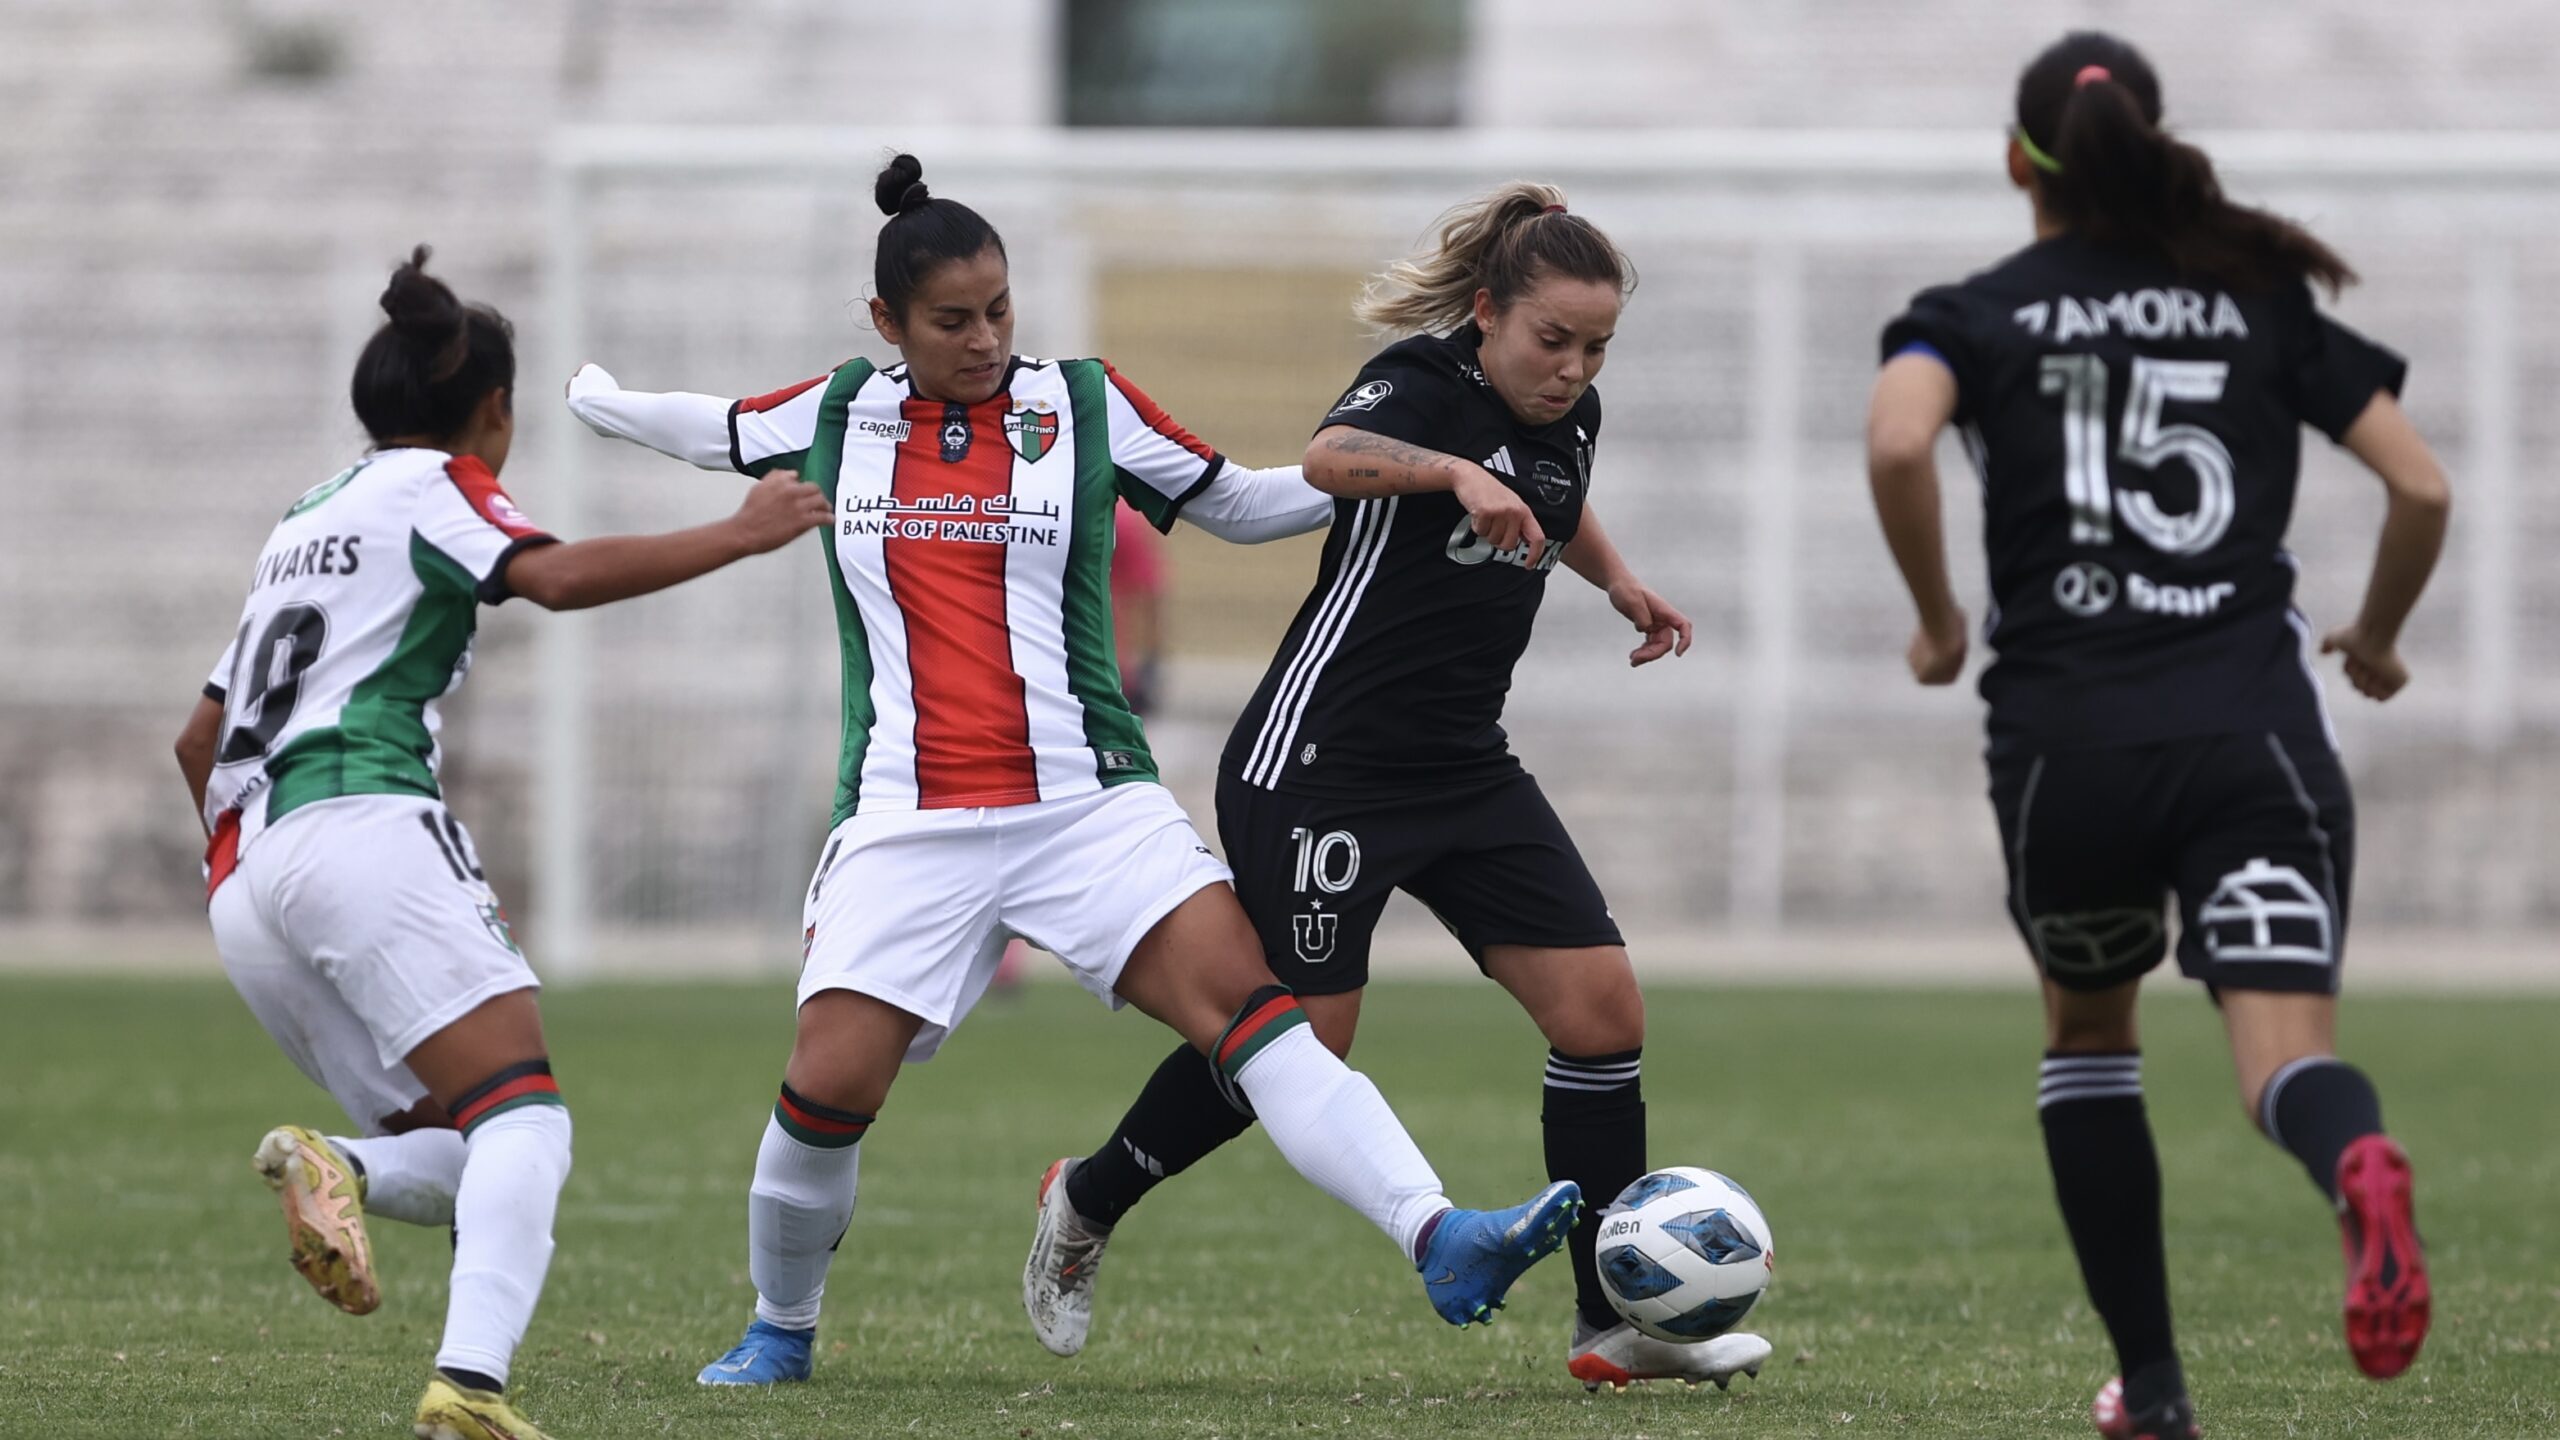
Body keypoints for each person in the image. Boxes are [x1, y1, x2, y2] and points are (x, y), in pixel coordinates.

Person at [564, 153, 1582, 1388]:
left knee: (1262, 1026)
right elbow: (712, 428)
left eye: (1000, 308)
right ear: (887, 324)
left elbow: (1245, 503)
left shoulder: (1086, 405)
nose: (986, 338)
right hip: (907, 816)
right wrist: (596, 397)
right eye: (952, 320)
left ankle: (1439, 1234)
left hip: (1086, 805)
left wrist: (1422, 463)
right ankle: (781, 1328)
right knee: (825, 1091)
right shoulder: (837, 411)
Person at [1018, 182, 1772, 1392]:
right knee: (1302, 1043)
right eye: (1552, 341)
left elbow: (1555, 501)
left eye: (1595, 347)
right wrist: (1447, 473)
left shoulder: (1570, 414)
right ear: (1486, 314)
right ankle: (1087, 1196)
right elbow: (1329, 455)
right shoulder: (1421, 383)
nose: (1573, 368)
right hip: (1320, 763)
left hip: (1463, 765)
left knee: (1602, 1014)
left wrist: (1619, 579)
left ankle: (1608, 1322)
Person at [1866, 32, 2447, 1440]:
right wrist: (2372, 640)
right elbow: (2421, 488)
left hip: (2068, 751)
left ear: (2022, 162)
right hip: (2250, 736)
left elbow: (1896, 443)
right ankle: (2355, 1155)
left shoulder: (1975, 310)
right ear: (2152, 136)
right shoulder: (2256, 300)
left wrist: (1941, 622)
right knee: (2283, 1060)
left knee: (2089, 1039)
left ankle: (2162, 1394)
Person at [173, 246, 833, 1440]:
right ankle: (469, 1388)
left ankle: (344, 1167)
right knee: (526, 1117)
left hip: (244, 876)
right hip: (360, 825)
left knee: (461, 1144)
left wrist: (263, 863)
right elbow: (557, 576)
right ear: (495, 411)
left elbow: (194, 742)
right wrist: (738, 534)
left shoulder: (302, 520)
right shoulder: (441, 485)